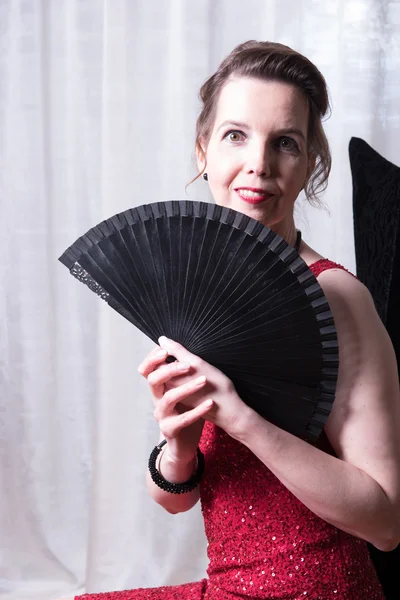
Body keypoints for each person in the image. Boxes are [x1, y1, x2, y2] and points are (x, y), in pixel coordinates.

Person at [62, 41, 400, 599]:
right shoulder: (202, 291)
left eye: (285, 143)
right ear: (204, 151)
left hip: (317, 589)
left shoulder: (338, 298)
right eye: (236, 135)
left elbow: (385, 524)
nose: (259, 165)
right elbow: (176, 500)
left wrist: (242, 421)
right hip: (228, 586)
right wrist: (179, 447)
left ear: (310, 163)